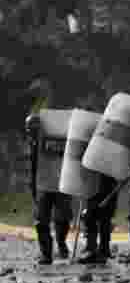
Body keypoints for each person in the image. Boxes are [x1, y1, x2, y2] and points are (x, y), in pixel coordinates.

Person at [25, 113, 73, 265]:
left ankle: (61, 243)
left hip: (60, 183)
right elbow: (33, 167)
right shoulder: (32, 144)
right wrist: (32, 185)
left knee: (63, 218)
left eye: (33, 129)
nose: (30, 132)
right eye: (29, 129)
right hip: (42, 185)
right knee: (40, 221)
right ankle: (46, 253)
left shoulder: (55, 138)